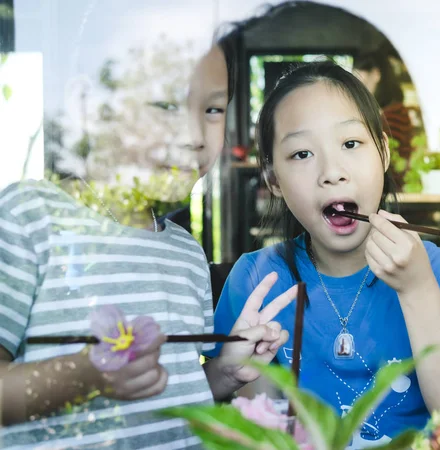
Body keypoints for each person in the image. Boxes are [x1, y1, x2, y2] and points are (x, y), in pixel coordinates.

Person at [0, 17, 294, 450]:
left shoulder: (185, 252)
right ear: (86, 107)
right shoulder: (31, 217)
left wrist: (225, 373)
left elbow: (173, 396)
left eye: (212, 109)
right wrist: (88, 376)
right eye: (165, 105)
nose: (195, 136)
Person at [206, 61, 440, 446]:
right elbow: (253, 427)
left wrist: (418, 290)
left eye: (350, 144)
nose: (332, 171)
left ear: (384, 153)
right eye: (301, 154)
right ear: (273, 178)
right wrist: (235, 370)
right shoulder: (257, 280)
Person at [353, 49, 415, 186]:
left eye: (359, 79)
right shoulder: (384, 111)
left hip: (394, 189)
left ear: (375, 75)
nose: (356, 88)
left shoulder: (394, 113)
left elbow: (391, 160)